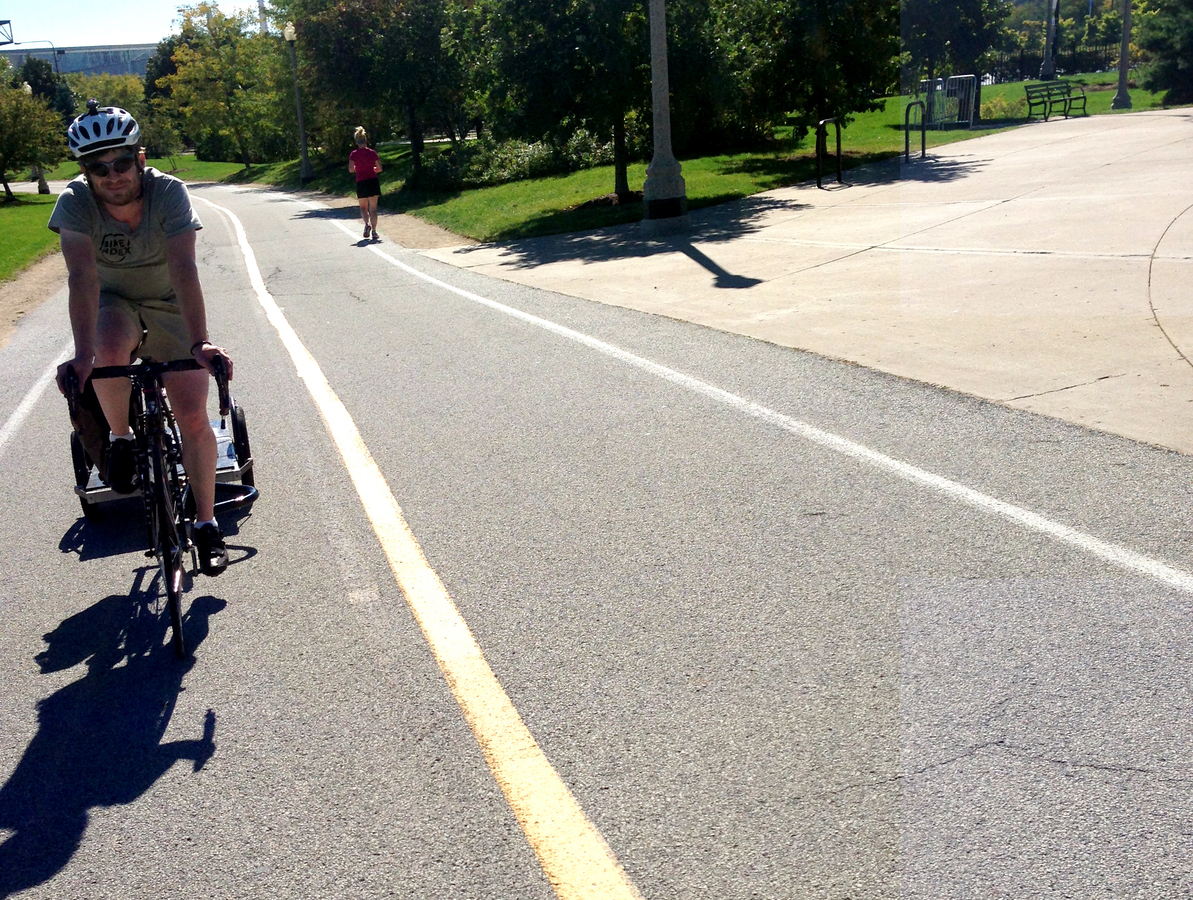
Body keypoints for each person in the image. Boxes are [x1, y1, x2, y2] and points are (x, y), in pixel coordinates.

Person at [51, 100, 232, 576]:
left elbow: (184, 266)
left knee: (192, 415)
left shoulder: (168, 192)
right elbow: (82, 277)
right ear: (85, 172)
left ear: (140, 158)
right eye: (98, 167)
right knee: (108, 347)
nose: (113, 175)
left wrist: (200, 342)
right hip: (114, 302)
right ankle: (121, 437)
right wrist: (82, 356)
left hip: (168, 301)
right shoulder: (75, 202)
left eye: (122, 162)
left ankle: (207, 524)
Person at [348, 126, 383, 240]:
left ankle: (366, 224)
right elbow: (379, 168)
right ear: (366, 140)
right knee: (373, 209)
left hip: (361, 182)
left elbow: (351, 169)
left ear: (356, 142)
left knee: (363, 207)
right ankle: (374, 231)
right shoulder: (372, 153)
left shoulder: (354, 154)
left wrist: (358, 168)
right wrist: (372, 169)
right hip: (372, 180)